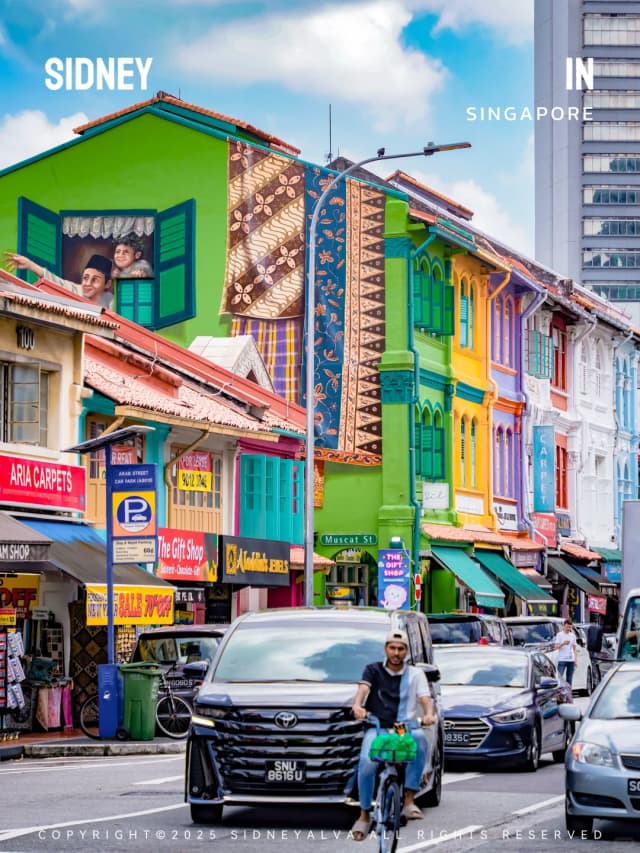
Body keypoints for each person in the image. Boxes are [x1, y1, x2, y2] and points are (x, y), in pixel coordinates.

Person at [350, 630, 437, 842]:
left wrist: (428, 714)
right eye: (392, 648)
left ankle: (408, 800)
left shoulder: (416, 674)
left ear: (406, 651)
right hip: (378, 727)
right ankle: (363, 815)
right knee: (367, 761)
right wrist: (357, 706)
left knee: (418, 740)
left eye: (401, 649)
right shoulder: (372, 670)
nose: (396, 653)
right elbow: (363, 689)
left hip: (403, 728)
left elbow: (425, 698)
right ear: (386, 649)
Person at [3, 250, 114, 309]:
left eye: (95, 280)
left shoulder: (112, 303)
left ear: (107, 284)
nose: (88, 283)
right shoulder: (76, 290)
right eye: (85, 278)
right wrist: (29, 265)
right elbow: (54, 281)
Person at [555, 619, 578, 686]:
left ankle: (569, 694)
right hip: (562, 659)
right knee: (560, 677)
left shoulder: (573, 636)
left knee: (569, 679)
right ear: (564, 626)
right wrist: (563, 644)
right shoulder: (559, 635)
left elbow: (574, 648)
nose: (568, 629)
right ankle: (559, 693)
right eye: (567, 627)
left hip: (571, 660)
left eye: (570, 627)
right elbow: (556, 647)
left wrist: (576, 660)